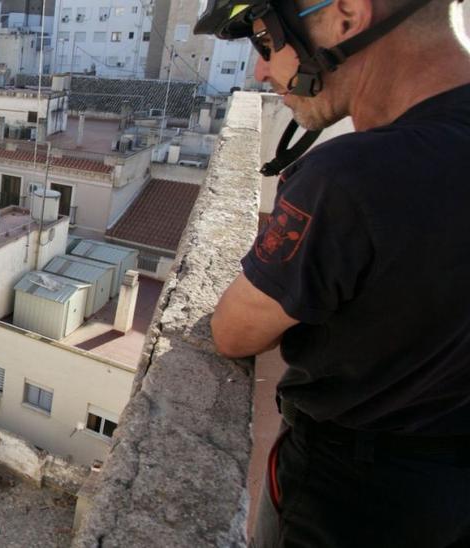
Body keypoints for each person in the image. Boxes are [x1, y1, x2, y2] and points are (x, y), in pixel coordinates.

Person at [197, 0, 470, 543]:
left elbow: (233, 331)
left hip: (353, 498)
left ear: (345, 14)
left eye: (265, 41)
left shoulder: (350, 179)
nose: (261, 69)